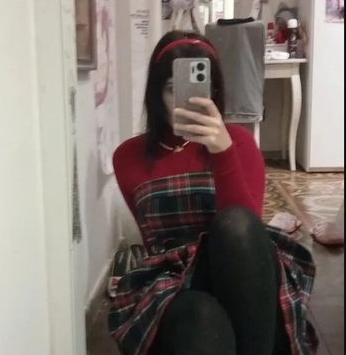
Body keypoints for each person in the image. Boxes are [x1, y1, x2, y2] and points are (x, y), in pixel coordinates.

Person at [108, 31, 317, 355]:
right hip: (173, 277)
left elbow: (246, 228)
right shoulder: (128, 156)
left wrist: (222, 151)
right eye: (173, 89)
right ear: (156, 93)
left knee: (236, 225)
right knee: (201, 318)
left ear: (214, 91)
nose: (188, 101)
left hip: (243, 269)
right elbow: (153, 239)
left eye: (200, 90)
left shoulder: (239, 143)